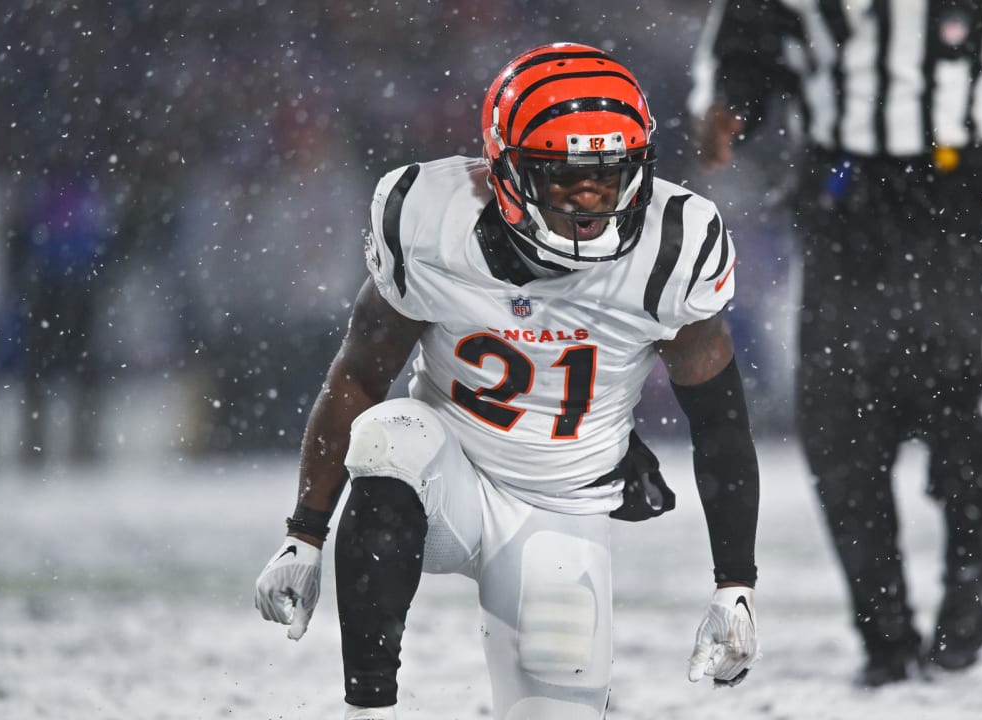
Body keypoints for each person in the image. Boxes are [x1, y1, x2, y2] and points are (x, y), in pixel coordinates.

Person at [254, 43, 762, 720]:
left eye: (608, 175)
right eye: (563, 176)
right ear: (504, 171)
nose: (590, 198)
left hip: (564, 505)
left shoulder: (672, 247)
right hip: (446, 477)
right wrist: (304, 534)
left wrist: (735, 586)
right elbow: (361, 373)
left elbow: (721, 422)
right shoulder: (432, 223)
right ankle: (367, 708)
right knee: (388, 435)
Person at [689, 0, 982, 687]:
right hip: (839, 186)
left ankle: (969, 596)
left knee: (957, 394)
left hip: (950, 179)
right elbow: (747, 39)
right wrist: (732, 104)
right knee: (838, 418)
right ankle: (884, 636)